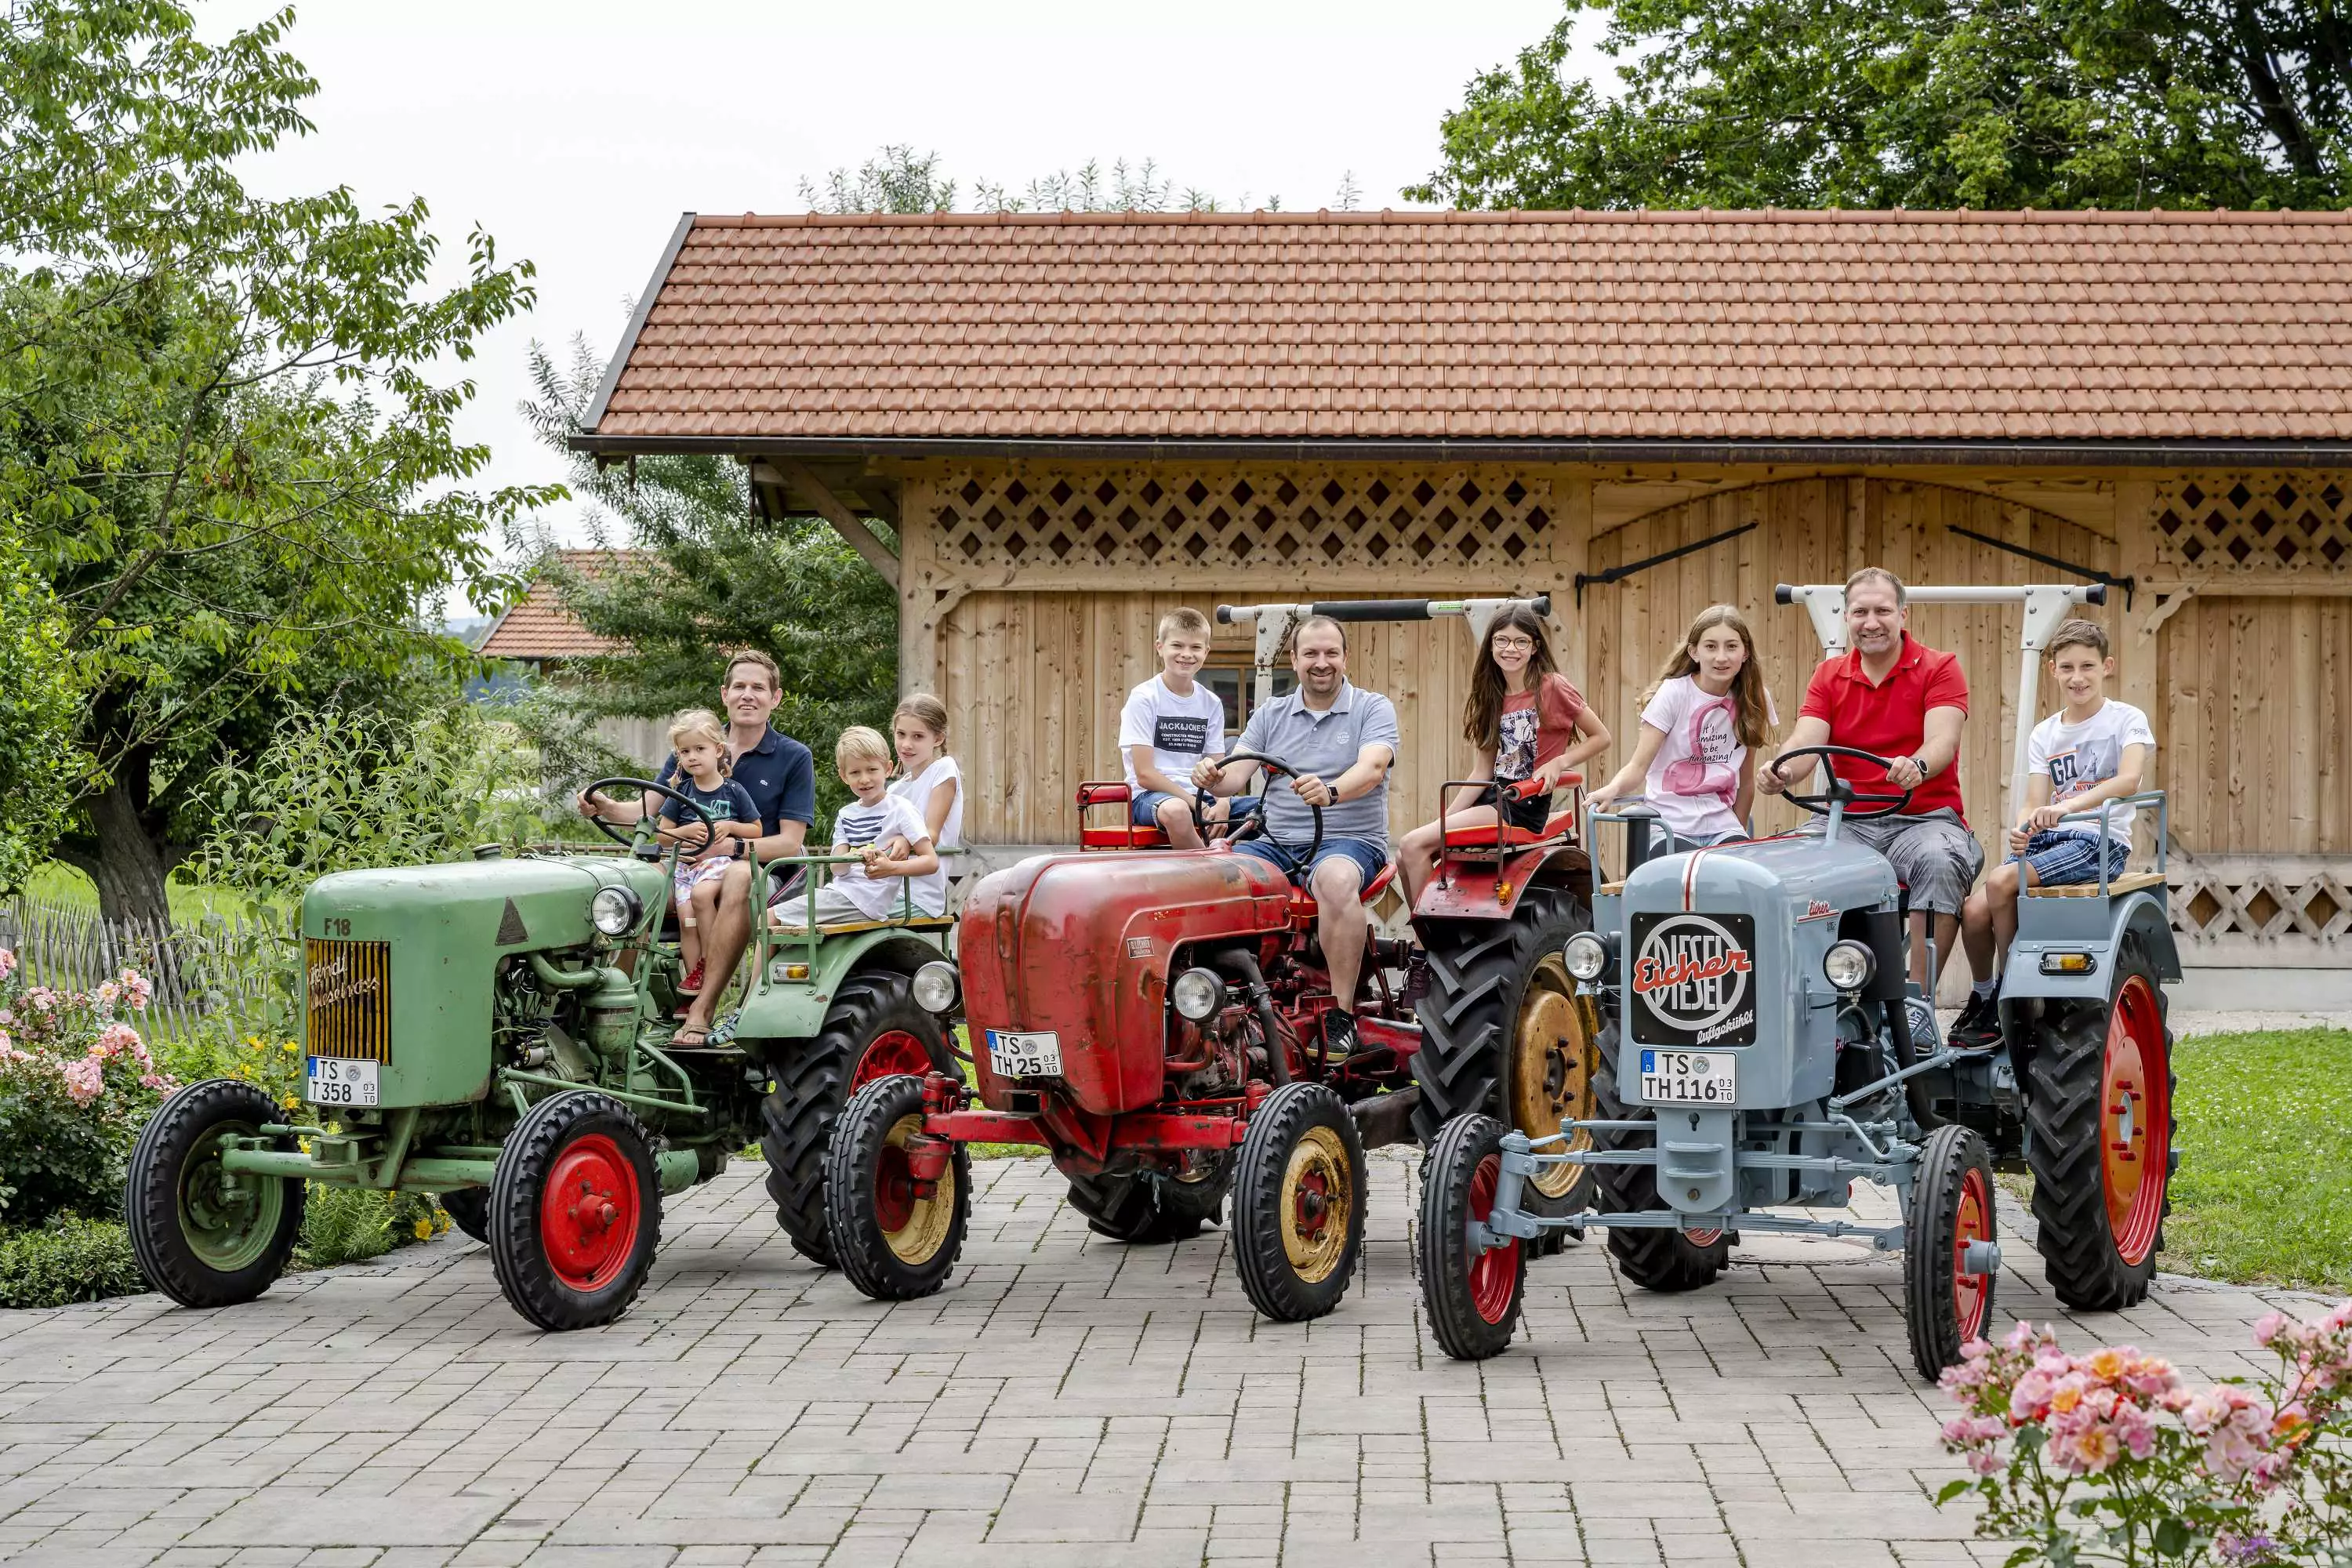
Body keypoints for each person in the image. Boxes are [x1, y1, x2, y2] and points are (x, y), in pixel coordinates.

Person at [578, 648, 816, 1045]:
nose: (748, 695)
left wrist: (732, 849)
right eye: (739, 686)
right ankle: (611, 1006)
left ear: (775, 698)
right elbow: (648, 814)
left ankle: (703, 1010)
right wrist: (603, 806)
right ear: (725, 694)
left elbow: (790, 842)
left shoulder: (793, 757)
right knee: (634, 881)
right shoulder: (695, 745)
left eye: (759, 687)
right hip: (691, 866)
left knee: (740, 876)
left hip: (765, 873)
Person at [1759, 566, 1980, 985]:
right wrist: (1781, 770)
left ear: (1903, 614)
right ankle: (1800, 996)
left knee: (1938, 862)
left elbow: (1942, 741)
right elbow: (1806, 741)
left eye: (1883, 611)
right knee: (1777, 867)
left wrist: (1916, 766)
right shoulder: (1829, 675)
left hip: (1923, 820)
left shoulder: (1939, 667)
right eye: (1860, 612)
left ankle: (1916, 1004)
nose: (1871, 622)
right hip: (1846, 821)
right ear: (1847, 617)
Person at [1194, 615, 1398, 1061]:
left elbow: (1373, 768)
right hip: (1277, 840)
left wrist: (1332, 791)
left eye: (1330, 653)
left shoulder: (1372, 708)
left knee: (1336, 882)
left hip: (1349, 839)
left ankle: (1342, 1013)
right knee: (1211, 877)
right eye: (1311, 654)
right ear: (1295, 659)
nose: (1321, 663)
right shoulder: (1272, 714)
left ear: (1345, 658)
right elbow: (1234, 777)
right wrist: (1211, 775)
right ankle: (1214, 1003)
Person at [1951, 620, 2153, 1046]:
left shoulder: (2125, 719)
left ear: (2107, 667)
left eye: (2087, 666)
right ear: (2052, 671)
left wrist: (2065, 808)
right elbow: (2033, 800)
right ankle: (1985, 994)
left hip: (2100, 841)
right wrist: (2023, 828)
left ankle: (2013, 994)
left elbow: (2129, 781)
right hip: (2052, 836)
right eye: (2067, 668)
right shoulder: (2045, 732)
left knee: (2004, 881)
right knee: (1973, 912)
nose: (2077, 677)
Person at [1395, 602, 1609, 905]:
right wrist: (1445, 819)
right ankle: (1432, 930)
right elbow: (1482, 772)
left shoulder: (1553, 687)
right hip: (1493, 797)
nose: (1511, 649)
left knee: (1411, 844)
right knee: (1406, 854)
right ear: (1491, 645)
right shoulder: (1492, 695)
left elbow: (1601, 737)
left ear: (1534, 647)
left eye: (1521, 641)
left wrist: (1559, 762)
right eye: (1502, 640)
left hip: (1523, 803)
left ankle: (1426, 946)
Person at [1587, 604, 1777, 848]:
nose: (1721, 657)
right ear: (1694, 652)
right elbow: (1638, 766)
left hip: (1722, 825)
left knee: (1736, 876)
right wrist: (1612, 789)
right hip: (1670, 824)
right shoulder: (1674, 694)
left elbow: (1746, 782)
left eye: (1731, 646)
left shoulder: (1754, 697)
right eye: (1711, 646)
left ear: (1745, 653)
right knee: (1684, 875)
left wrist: (1736, 838)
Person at [775, 727, 941, 928]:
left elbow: (931, 861)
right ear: (844, 776)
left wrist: (892, 868)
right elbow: (837, 869)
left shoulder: (901, 809)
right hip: (843, 892)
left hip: (867, 899)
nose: (864, 779)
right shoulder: (846, 814)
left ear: (887, 769)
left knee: (768, 918)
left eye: (872, 770)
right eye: (855, 772)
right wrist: (855, 855)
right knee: (781, 927)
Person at [1119, 608, 1252, 848]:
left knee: (1265, 810)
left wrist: (1223, 802)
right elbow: (1145, 775)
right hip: (1150, 798)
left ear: (1206, 652)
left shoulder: (1210, 703)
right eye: (1177, 646)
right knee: (1177, 811)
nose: (1186, 654)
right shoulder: (1144, 698)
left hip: (1201, 796)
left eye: (1195, 648)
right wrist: (1196, 803)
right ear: (1160, 647)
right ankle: (1210, 873)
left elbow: (1217, 768)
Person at [654, 710, 763, 998]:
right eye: (685, 752)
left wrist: (729, 826)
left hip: (718, 863)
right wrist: (685, 833)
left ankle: (710, 963)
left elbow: (756, 830)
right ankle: (695, 983)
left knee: (702, 897)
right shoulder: (681, 793)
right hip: (686, 866)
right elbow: (662, 835)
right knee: (687, 918)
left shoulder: (733, 791)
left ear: (718, 750)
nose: (692, 757)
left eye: (699, 749)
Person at [883, 692, 963, 917]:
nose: (906, 744)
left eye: (918, 736)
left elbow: (931, 834)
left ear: (938, 739)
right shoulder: (895, 790)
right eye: (901, 734)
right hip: (884, 889)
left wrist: (902, 840)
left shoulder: (944, 769)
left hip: (917, 896)